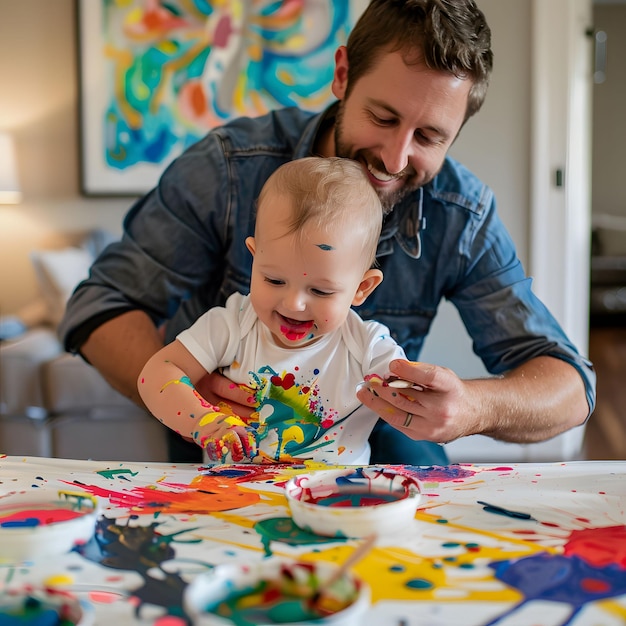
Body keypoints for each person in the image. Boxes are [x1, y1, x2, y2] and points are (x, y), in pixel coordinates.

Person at [59, 0, 595, 466]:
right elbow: (101, 306)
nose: (394, 157)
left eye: (429, 136)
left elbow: (571, 387)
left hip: (384, 428)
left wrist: (475, 408)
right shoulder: (227, 170)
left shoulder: (462, 211)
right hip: (231, 425)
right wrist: (193, 393)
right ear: (342, 75)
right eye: (383, 117)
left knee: (420, 491)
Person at [137, 157, 406, 465]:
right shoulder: (233, 326)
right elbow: (156, 373)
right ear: (254, 258)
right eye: (274, 280)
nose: (293, 303)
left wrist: (413, 393)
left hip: (333, 497)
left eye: (320, 290)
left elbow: (411, 393)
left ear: (362, 288)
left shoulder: (368, 346)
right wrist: (203, 421)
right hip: (232, 494)